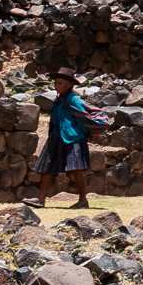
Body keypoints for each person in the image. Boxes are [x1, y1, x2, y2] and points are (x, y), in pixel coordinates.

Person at [24, 68, 108, 209]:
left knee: (75, 169)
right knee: (47, 168)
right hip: (57, 136)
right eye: (55, 83)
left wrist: (84, 133)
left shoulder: (73, 99)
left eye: (60, 83)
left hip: (72, 138)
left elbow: (83, 116)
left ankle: (83, 200)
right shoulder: (59, 100)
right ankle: (40, 200)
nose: (56, 86)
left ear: (69, 85)